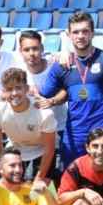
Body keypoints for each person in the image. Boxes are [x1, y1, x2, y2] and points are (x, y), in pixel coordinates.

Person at [40, 11, 103, 167]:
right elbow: (44, 95)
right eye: (76, 32)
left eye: (85, 31)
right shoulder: (61, 65)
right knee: (71, 183)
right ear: (69, 35)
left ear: (92, 33)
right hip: (75, 134)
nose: (80, 36)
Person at [0, 68, 57, 186]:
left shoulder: (44, 113)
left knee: (33, 191)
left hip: (42, 152)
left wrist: (39, 178)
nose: (14, 93)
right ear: (3, 91)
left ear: (26, 89)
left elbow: (49, 149)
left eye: (18, 88)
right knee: (7, 188)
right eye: (9, 89)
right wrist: (1, 170)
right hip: (16, 150)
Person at [16, 30, 68, 182]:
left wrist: (51, 101)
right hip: (33, 134)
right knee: (30, 181)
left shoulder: (55, 66)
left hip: (59, 129)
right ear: (20, 51)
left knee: (61, 178)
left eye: (35, 48)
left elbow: (66, 91)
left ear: (42, 49)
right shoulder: (19, 72)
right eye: (27, 49)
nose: (31, 53)